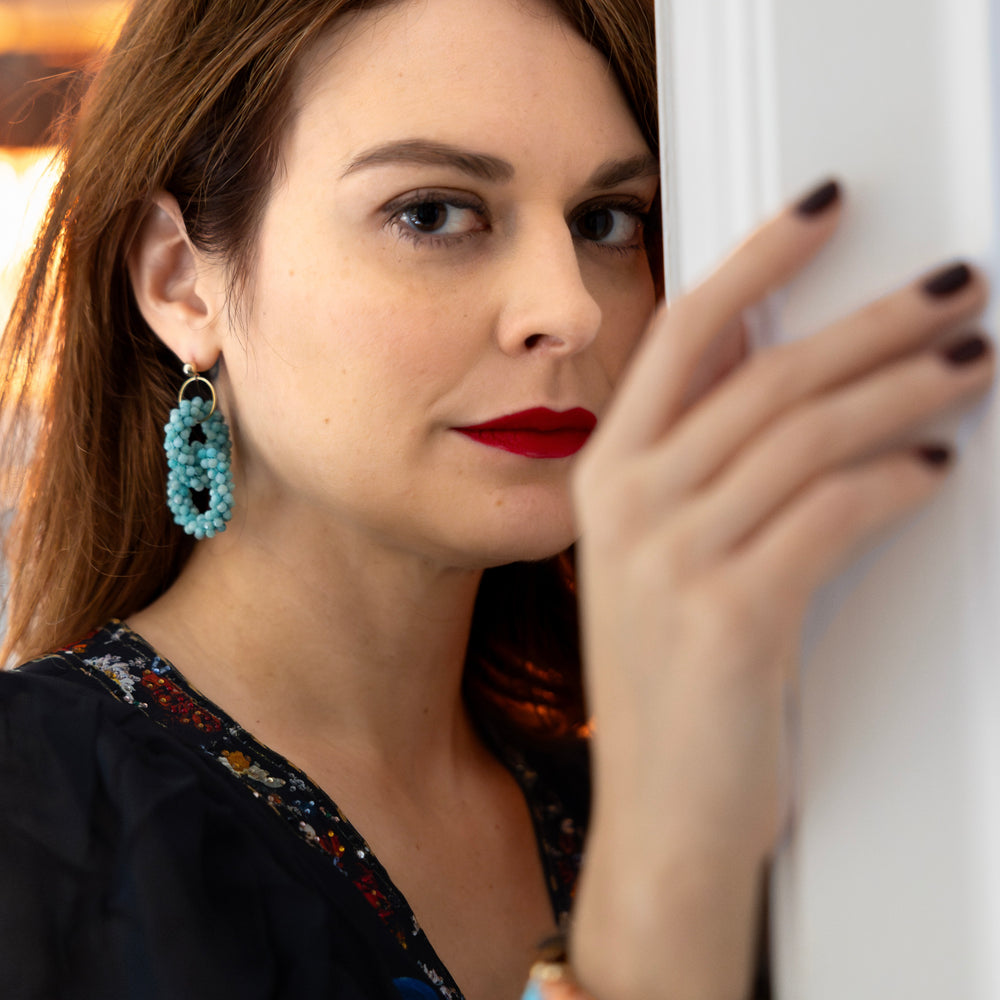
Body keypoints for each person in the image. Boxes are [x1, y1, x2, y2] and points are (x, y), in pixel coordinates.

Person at [0, 0, 990, 997]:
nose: (569, 308)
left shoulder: (661, 782)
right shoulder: (32, 803)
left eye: (608, 221)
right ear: (179, 281)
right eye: (432, 213)